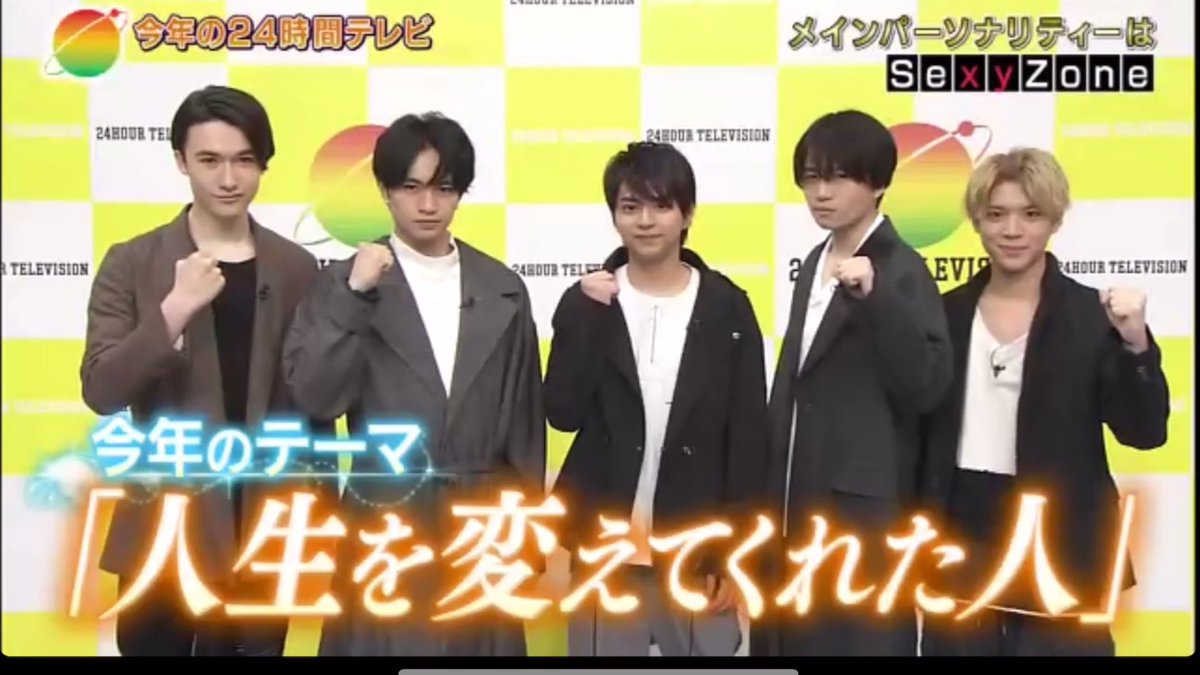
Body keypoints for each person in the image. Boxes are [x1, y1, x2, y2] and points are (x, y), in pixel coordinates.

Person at [282, 112, 546, 656]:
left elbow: (524, 427)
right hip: (385, 520)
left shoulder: (502, 288)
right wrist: (354, 295)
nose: (428, 205)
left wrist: (526, 535)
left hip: (481, 526)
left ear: (461, 193)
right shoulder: (343, 282)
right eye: (411, 187)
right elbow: (314, 396)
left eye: (444, 188)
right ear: (385, 191)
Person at [80, 85, 331, 656]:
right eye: (209, 160)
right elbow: (101, 389)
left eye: (244, 160)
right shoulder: (133, 261)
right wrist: (174, 310)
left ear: (264, 164)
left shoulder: (296, 268)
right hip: (166, 530)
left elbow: (313, 407)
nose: (228, 178)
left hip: (264, 526)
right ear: (181, 162)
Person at [916, 148, 1170, 656]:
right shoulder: (944, 314)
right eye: (997, 214)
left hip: (1063, 536)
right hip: (961, 528)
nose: (1012, 230)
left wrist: (1136, 344)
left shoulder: (1094, 317)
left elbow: (1144, 433)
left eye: (1031, 214)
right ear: (976, 221)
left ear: (1055, 220)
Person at [544, 141, 768, 656]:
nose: (645, 221)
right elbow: (562, 412)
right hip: (605, 550)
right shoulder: (589, 300)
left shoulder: (727, 307)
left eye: (661, 206)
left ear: (686, 214)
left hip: (697, 550)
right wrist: (584, 316)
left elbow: (748, 438)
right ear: (614, 215)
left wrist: (732, 554)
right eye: (630, 207)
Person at [750, 110, 953, 656]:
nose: (821, 193)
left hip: (862, 512)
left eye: (839, 177)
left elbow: (928, 384)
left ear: (879, 183)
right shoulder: (814, 261)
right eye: (811, 178)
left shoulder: (901, 269)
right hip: (794, 501)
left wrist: (876, 299)